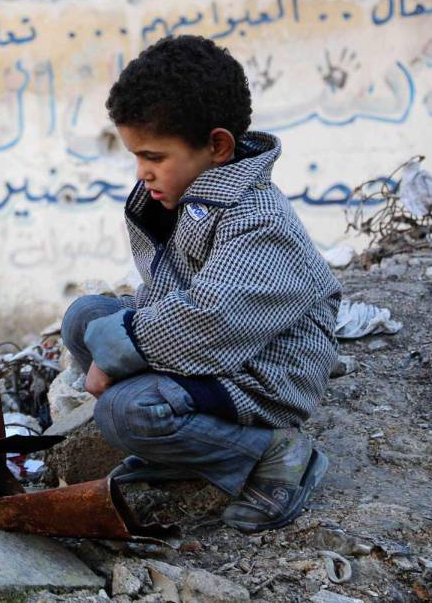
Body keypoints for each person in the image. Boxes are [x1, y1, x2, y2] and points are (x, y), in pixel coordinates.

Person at [60, 35, 341, 533]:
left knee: (124, 414)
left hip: (262, 373)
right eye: (136, 157)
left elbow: (207, 322)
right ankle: (184, 448)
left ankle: (275, 451)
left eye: (154, 157)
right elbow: (168, 292)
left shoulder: (260, 222)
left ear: (217, 146)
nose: (142, 173)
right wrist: (111, 341)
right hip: (212, 354)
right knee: (84, 316)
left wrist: (116, 352)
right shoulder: (189, 197)